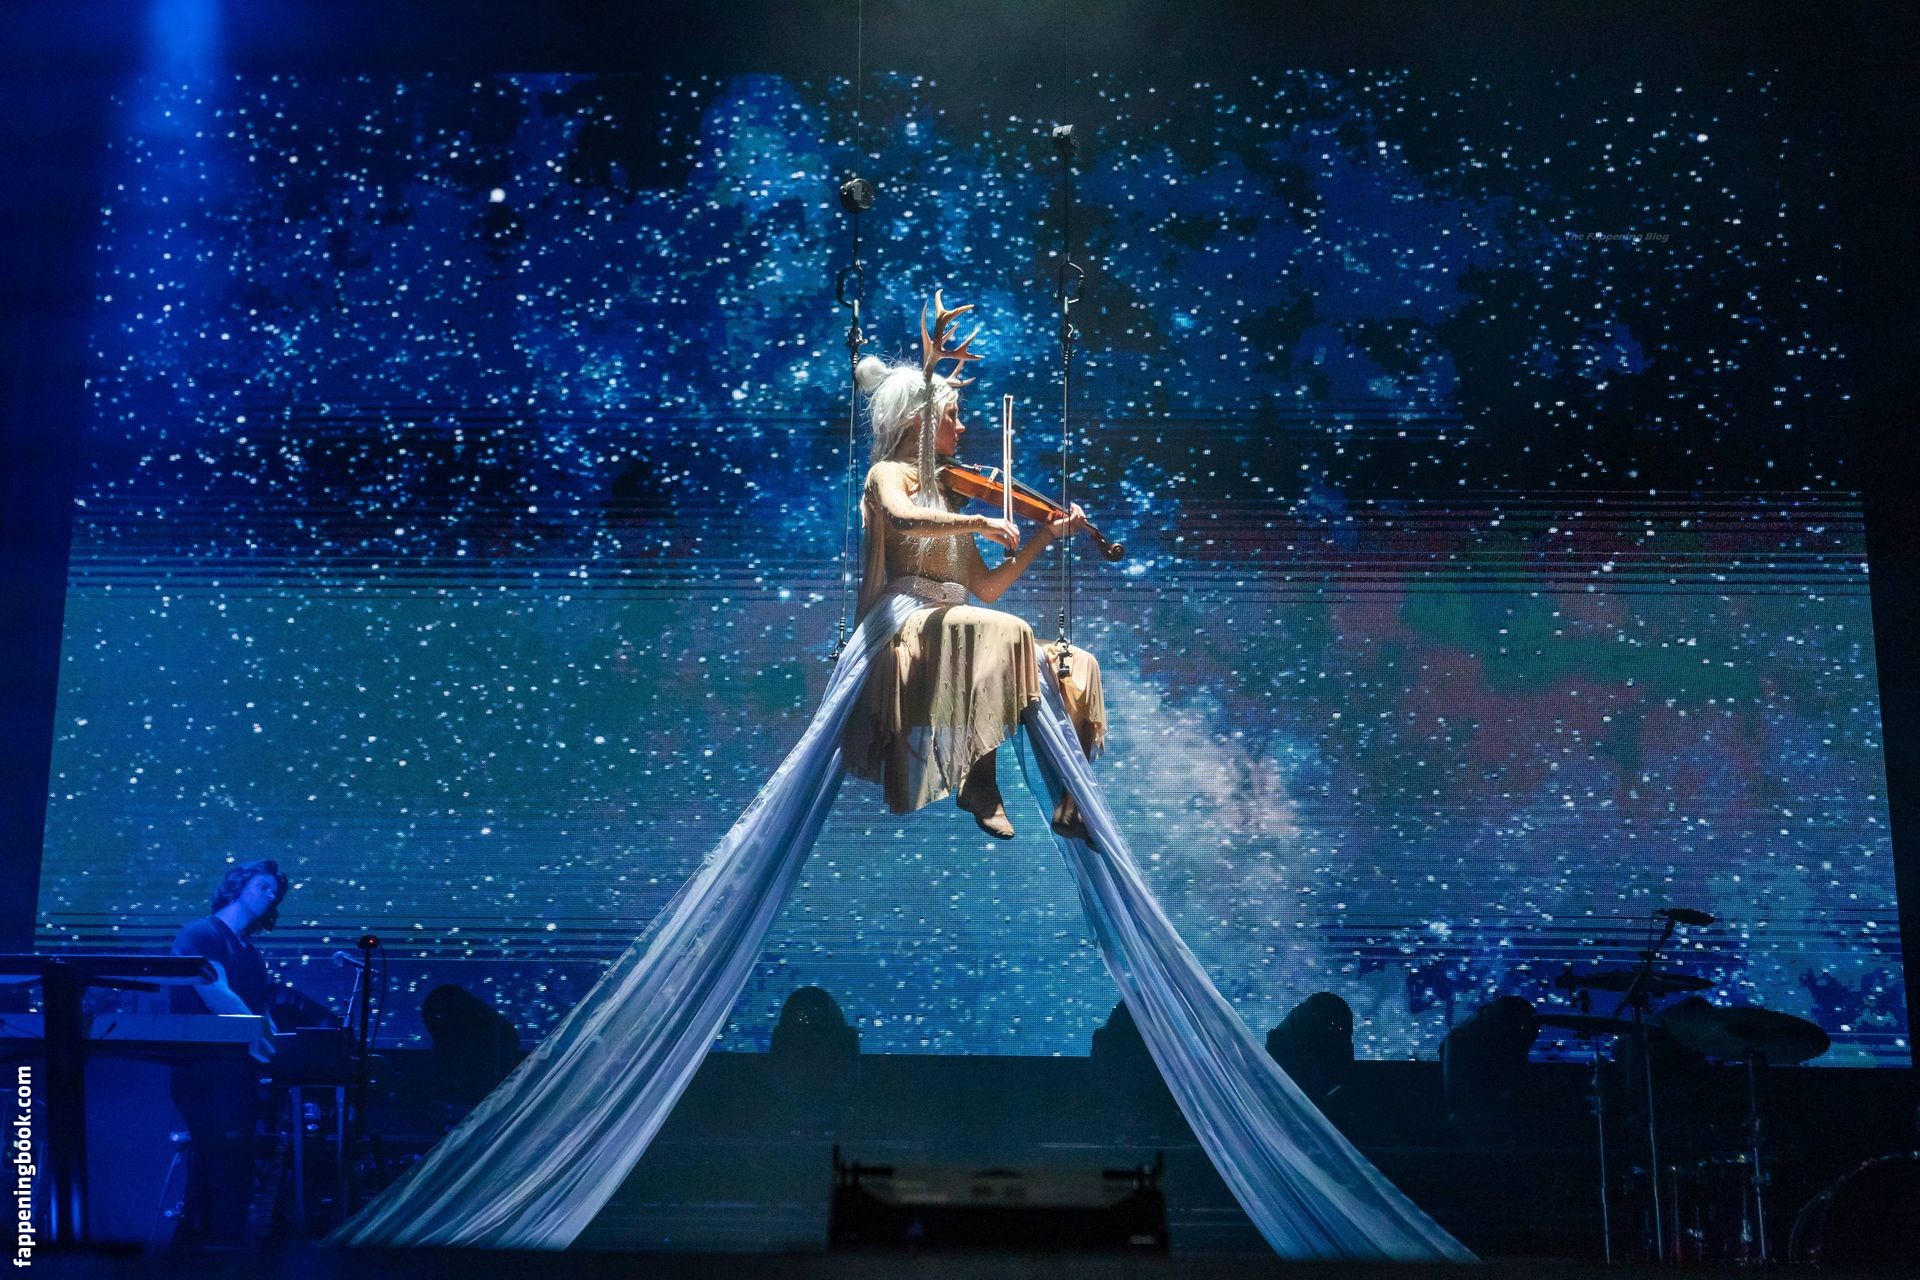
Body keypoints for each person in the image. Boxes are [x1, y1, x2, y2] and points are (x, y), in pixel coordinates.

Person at [843, 293, 1106, 839]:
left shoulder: (949, 494)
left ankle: (1071, 801)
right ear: (920, 421)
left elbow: (986, 586)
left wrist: (1045, 533)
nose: (961, 429)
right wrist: (979, 523)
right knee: (1005, 630)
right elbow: (903, 519)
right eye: (952, 417)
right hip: (908, 625)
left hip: (958, 622)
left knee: (1078, 665)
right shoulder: (889, 474)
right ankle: (978, 780)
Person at [168, 858, 289, 1247]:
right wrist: (264, 1035)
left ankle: (196, 1251)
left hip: (238, 1075)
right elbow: (216, 995)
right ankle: (213, 1251)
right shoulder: (201, 934)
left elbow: (260, 1011)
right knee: (223, 1167)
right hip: (204, 1071)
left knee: (219, 1171)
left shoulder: (251, 955)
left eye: (275, 893)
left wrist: (282, 1046)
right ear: (238, 885)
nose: (270, 896)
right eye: (263, 886)